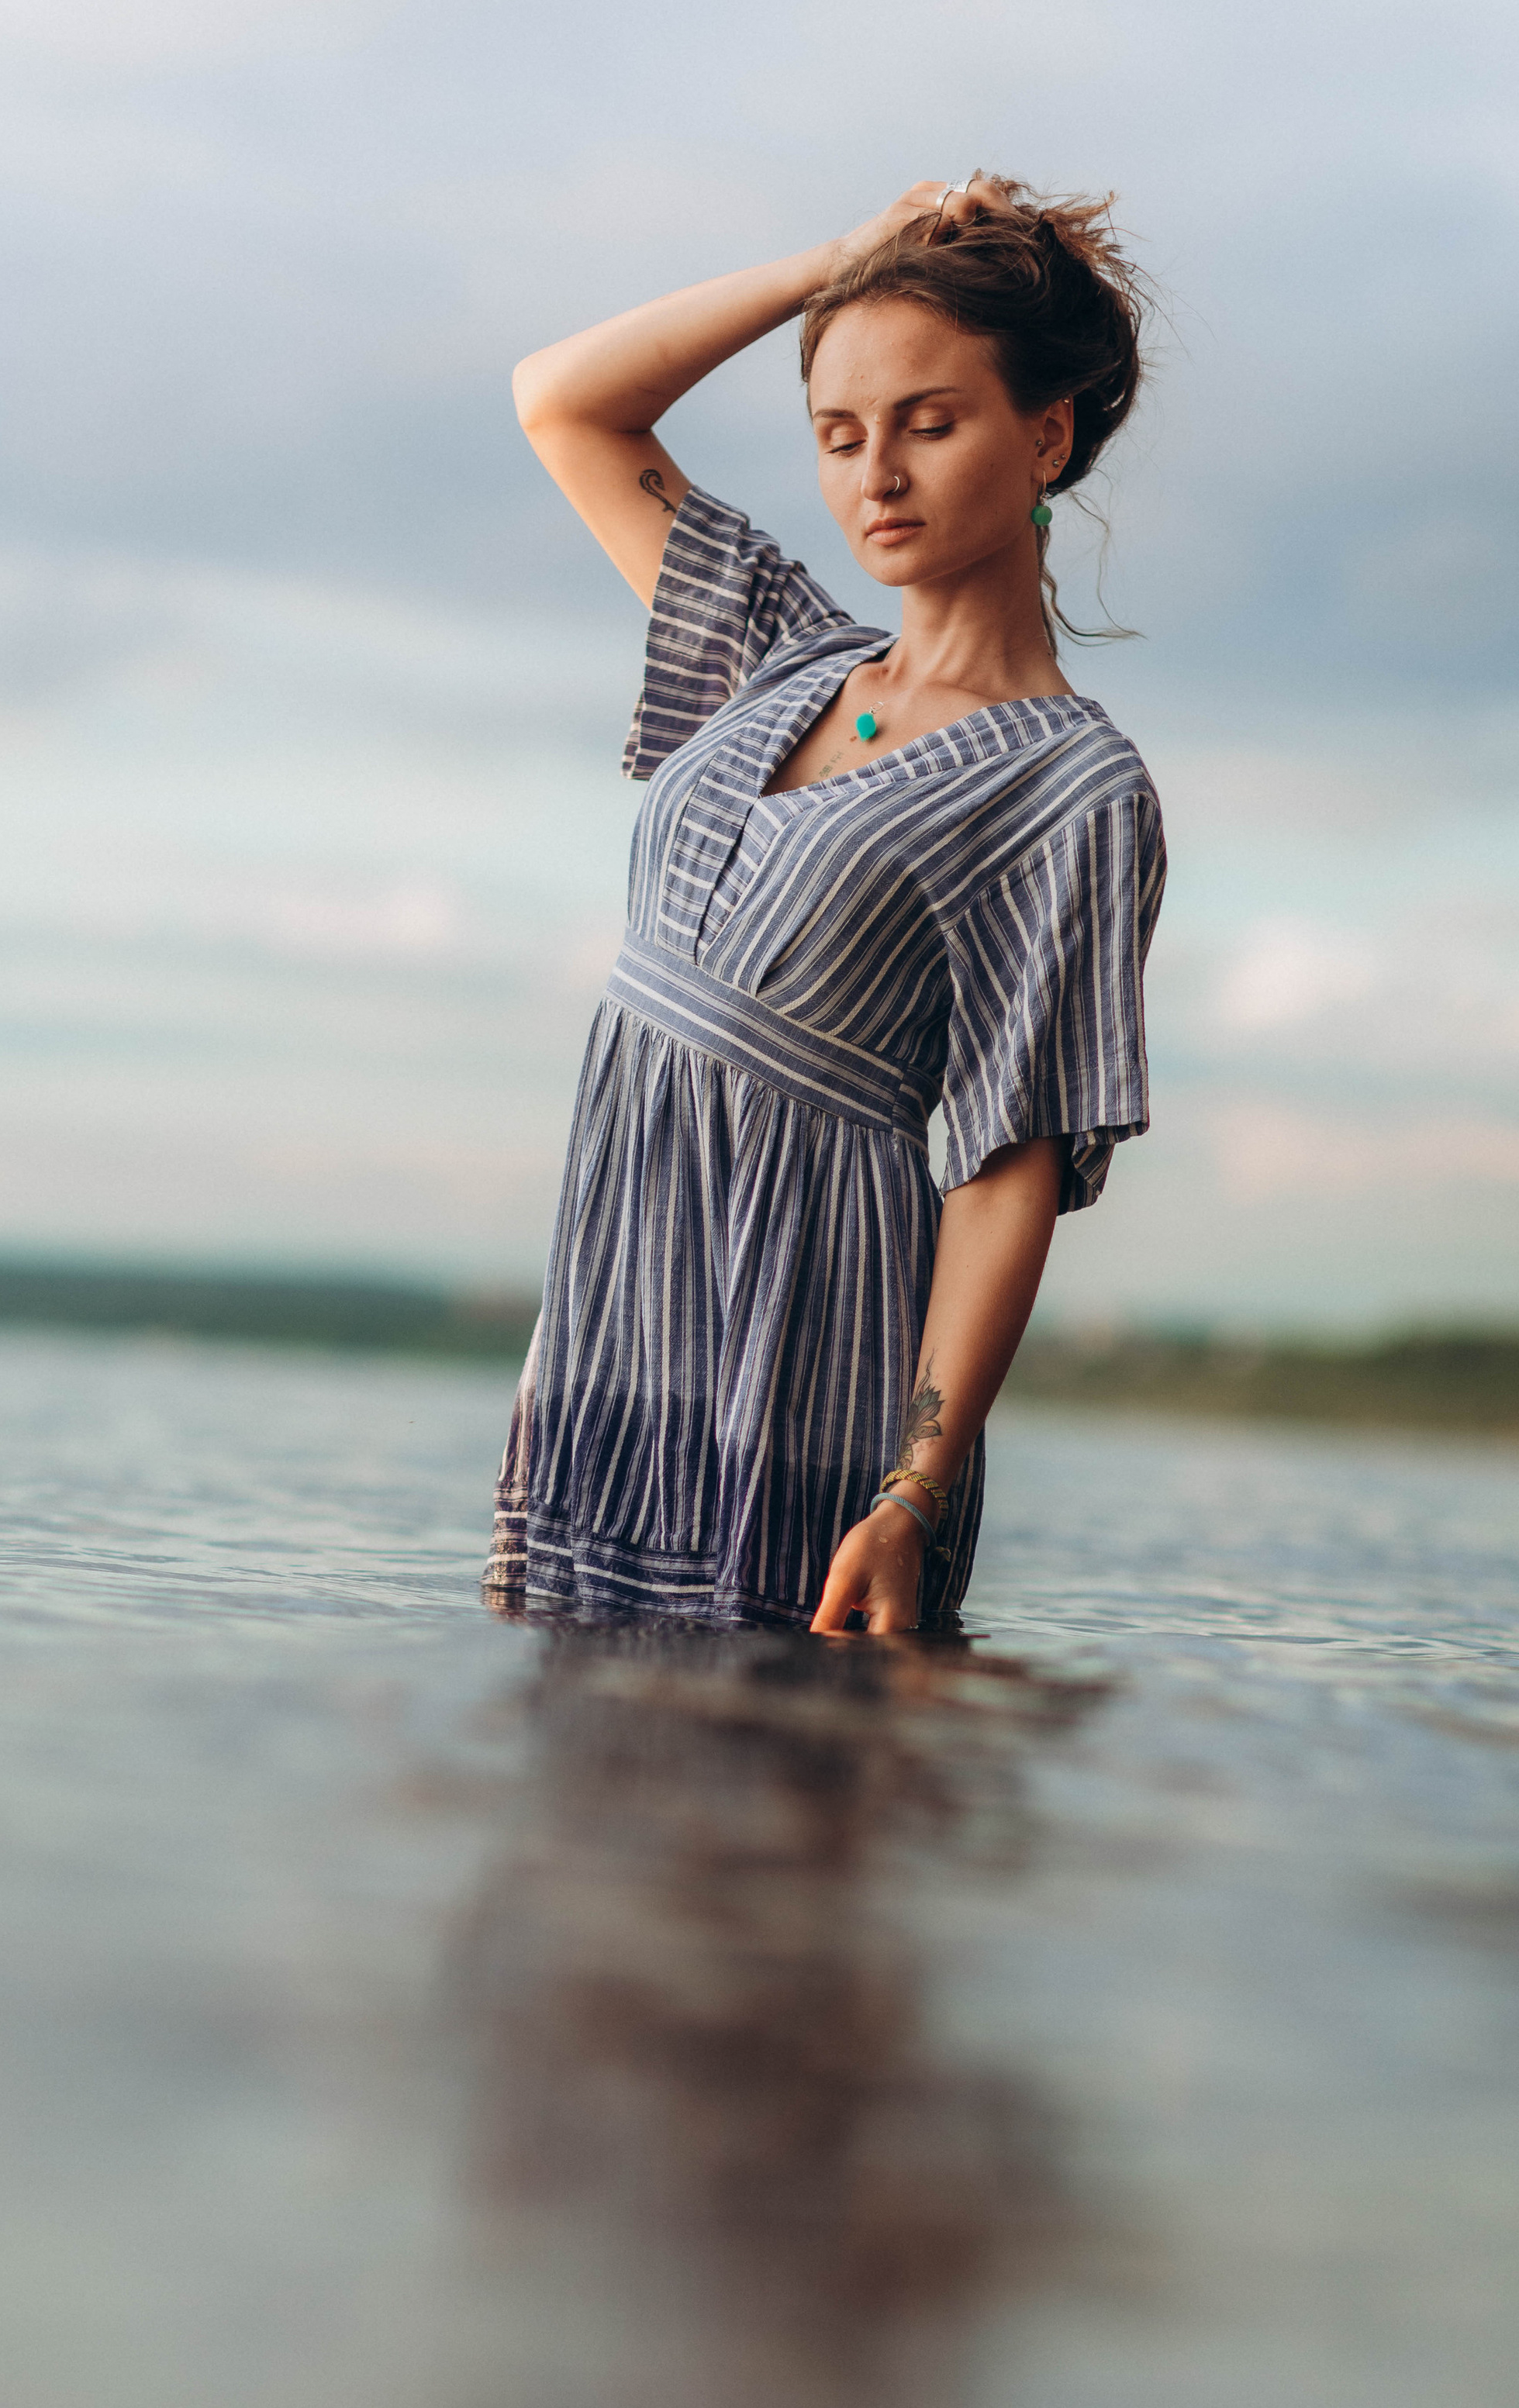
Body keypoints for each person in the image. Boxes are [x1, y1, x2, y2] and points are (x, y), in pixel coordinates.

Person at [482, 173, 1165, 1634]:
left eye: (930, 422)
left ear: (1045, 437)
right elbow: (564, 403)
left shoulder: (1070, 784)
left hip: (811, 1367)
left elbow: (1008, 1169)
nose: (878, 477)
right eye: (840, 437)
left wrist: (909, 1495)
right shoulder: (777, 651)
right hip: (614, 1335)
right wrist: (841, 264)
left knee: (776, 1825)